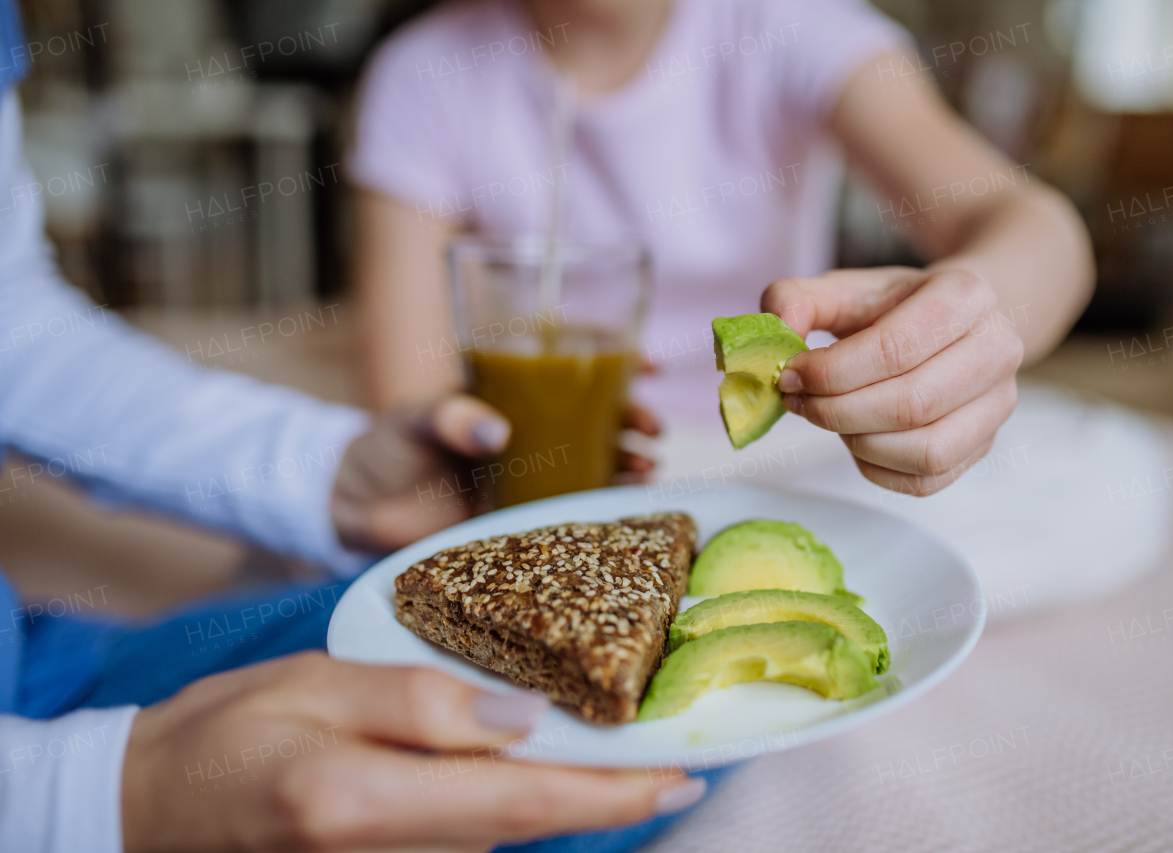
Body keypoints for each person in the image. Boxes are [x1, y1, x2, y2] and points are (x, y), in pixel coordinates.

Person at [0, 7, 707, 852]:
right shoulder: (431, 72)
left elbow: (10, 321)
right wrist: (108, 794)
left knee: (678, 702)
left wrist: (329, 478)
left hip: (39, 659)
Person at [350, 0, 1093, 497]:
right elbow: (412, 400)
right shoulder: (422, 74)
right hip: (550, 466)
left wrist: (964, 322)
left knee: (1101, 478)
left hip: (780, 453)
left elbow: (1034, 227)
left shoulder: (790, 25)